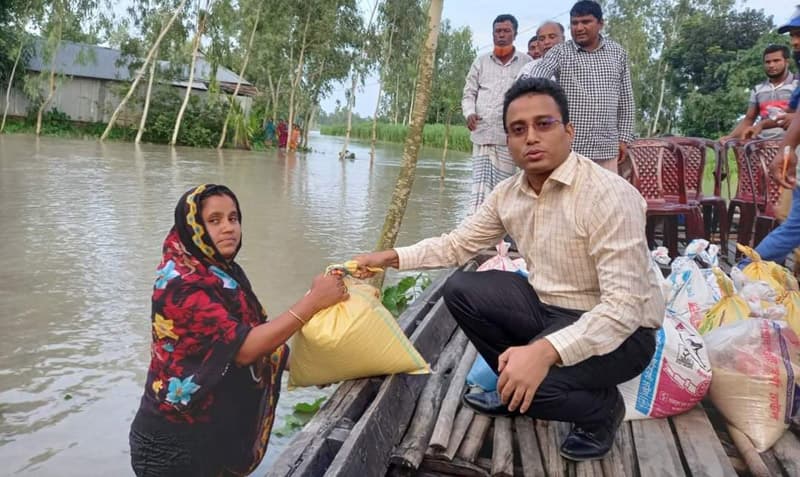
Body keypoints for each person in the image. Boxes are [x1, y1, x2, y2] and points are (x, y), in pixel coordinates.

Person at [352, 78, 663, 461]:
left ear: (569, 131)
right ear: (507, 141)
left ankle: (600, 412)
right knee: (462, 289)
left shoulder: (610, 196)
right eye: (518, 130)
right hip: (550, 308)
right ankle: (517, 389)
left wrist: (545, 352)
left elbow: (624, 309)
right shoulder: (509, 194)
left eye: (544, 124)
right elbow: (457, 245)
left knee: (539, 388)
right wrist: (389, 257)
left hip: (623, 334)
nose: (531, 137)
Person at [129, 184, 348, 476]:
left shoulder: (223, 273)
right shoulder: (180, 284)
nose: (228, 228)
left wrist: (311, 368)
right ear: (193, 227)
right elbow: (244, 349)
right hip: (172, 445)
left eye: (233, 218)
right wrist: (313, 302)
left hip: (212, 438)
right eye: (215, 220)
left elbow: (253, 335)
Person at [520, 1, 634, 174]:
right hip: (571, 149)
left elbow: (626, 100)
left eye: (586, 22)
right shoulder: (560, 52)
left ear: (600, 24)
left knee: (606, 198)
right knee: (568, 199)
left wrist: (624, 139)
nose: (579, 28)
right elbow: (538, 74)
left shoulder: (618, 53)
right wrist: (523, 89)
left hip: (608, 149)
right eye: (574, 23)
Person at [462, 14, 532, 214]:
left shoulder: (526, 63)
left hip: (509, 138)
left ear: (515, 34)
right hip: (482, 135)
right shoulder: (481, 61)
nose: (501, 35)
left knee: (506, 186)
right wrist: (469, 113)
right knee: (479, 188)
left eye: (506, 31)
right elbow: (469, 93)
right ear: (493, 34)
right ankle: (477, 229)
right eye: (497, 31)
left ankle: (502, 234)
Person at [721, 45, 797, 142]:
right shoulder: (758, 89)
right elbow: (749, 119)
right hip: (762, 143)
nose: (771, 65)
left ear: (787, 62)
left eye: (776, 61)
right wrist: (730, 137)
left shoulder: (797, 85)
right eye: (767, 62)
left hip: (792, 140)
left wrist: (762, 125)